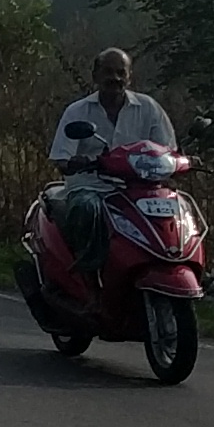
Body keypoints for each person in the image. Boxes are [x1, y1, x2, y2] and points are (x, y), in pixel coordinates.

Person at [46, 49, 175, 274]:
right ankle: (89, 274)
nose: (114, 78)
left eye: (120, 72)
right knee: (86, 208)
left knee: (175, 208)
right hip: (92, 187)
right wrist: (75, 163)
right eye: (107, 72)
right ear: (95, 75)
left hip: (139, 190)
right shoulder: (77, 111)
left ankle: (168, 263)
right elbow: (61, 158)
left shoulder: (149, 108)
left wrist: (181, 161)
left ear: (129, 77)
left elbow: (168, 150)